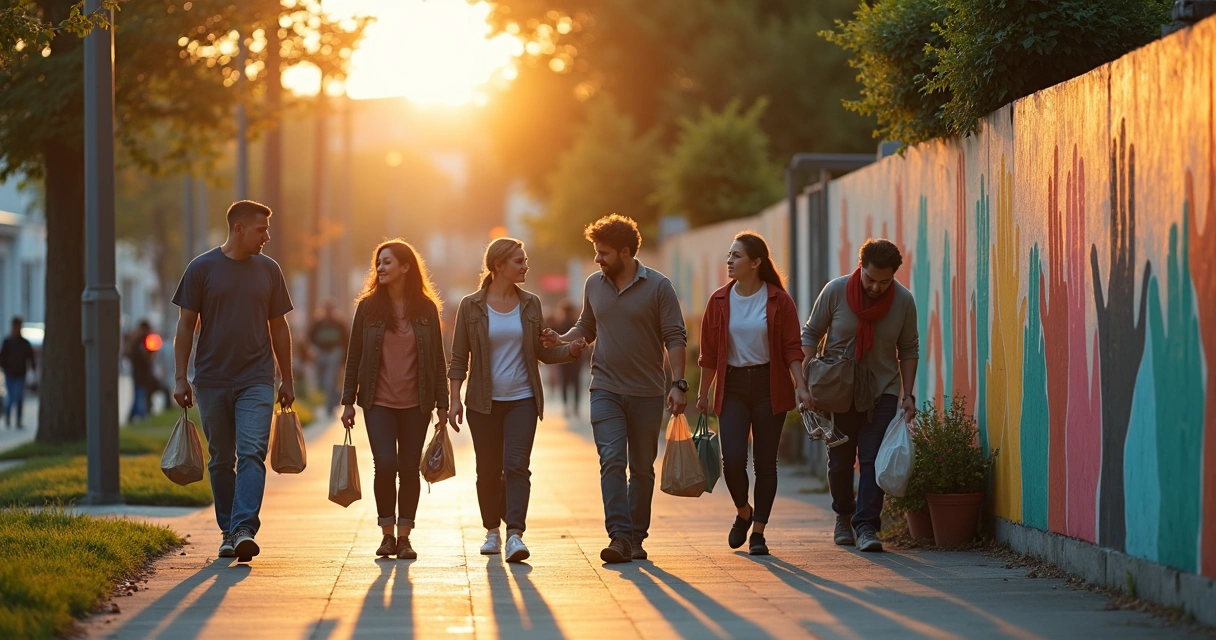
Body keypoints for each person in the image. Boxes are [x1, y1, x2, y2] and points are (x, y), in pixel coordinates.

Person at [544, 214, 688, 563]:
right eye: (596, 252)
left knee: (641, 468)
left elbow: (675, 336)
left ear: (626, 252)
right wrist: (562, 339)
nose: (597, 259)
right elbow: (586, 327)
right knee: (611, 460)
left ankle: (636, 537)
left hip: (647, 392)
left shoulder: (658, 286)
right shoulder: (594, 284)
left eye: (604, 253)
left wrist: (679, 384)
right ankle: (620, 536)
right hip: (605, 387)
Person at [448, 238, 587, 563]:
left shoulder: (531, 304)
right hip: (482, 403)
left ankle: (514, 535)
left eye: (525, 260)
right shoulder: (471, 306)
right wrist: (454, 398)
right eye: (519, 261)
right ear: (498, 266)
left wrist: (569, 350)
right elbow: (458, 357)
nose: (526, 266)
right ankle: (491, 532)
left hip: (523, 399)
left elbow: (540, 351)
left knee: (516, 466)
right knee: (488, 469)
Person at [172, 200, 296, 563]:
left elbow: (279, 327)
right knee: (221, 458)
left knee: (253, 452)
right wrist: (181, 377)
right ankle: (227, 530)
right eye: (261, 230)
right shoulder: (201, 268)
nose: (267, 237)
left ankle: (243, 528)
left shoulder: (269, 270)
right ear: (239, 229)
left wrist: (286, 378)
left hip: (257, 378)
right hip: (211, 380)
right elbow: (184, 326)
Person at [695, 232, 810, 556]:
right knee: (732, 460)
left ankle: (758, 530)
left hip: (768, 387)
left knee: (765, 464)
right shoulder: (719, 300)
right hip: (732, 388)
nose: (729, 261)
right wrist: (703, 394)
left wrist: (801, 386)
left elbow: (791, 347)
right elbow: (708, 352)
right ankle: (743, 511)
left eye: (737, 256)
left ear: (756, 262)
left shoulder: (778, 300)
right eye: (729, 255)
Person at [801, 238, 918, 553]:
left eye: (885, 281)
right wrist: (807, 379)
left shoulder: (903, 301)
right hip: (838, 390)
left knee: (870, 460)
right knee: (840, 461)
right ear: (860, 267)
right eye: (870, 279)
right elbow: (811, 334)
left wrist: (908, 394)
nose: (876, 288)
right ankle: (843, 516)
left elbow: (908, 348)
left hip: (882, 390)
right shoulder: (836, 291)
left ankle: (866, 526)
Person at [340, 239, 449, 560]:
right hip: (378, 401)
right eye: (378, 262)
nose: (381, 268)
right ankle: (386, 534)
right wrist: (348, 401)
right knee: (385, 464)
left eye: (388, 262)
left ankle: (405, 537)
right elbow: (354, 356)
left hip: (418, 404)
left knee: (409, 468)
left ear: (406, 267)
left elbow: (437, 361)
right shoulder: (368, 307)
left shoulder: (427, 309)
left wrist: (443, 404)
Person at [310, 300, 349, 414]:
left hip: (334, 353)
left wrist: (343, 358)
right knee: (321, 381)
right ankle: (329, 400)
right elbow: (310, 337)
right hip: (320, 353)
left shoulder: (339, 324)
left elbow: (346, 340)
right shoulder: (318, 323)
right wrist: (312, 350)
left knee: (330, 380)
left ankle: (330, 407)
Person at [0, 316, 35, 428]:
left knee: (18, 396)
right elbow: (2, 356)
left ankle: (18, 420)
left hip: (20, 373)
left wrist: (33, 369)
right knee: (10, 396)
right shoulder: (7, 342)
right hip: (9, 373)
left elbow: (30, 356)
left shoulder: (24, 343)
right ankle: (8, 416)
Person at [553, 299, 585, 417]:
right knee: (575, 382)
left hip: (563, 359)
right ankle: (575, 407)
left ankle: (567, 406)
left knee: (565, 383)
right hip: (576, 359)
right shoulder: (576, 324)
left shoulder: (560, 324)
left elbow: (556, 343)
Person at [125, 320, 157, 423]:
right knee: (140, 394)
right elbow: (146, 358)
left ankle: (132, 416)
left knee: (138, 394)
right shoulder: (142, 341)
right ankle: (142, 416)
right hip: (142, 373)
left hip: (137, 372)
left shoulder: (135, 340)